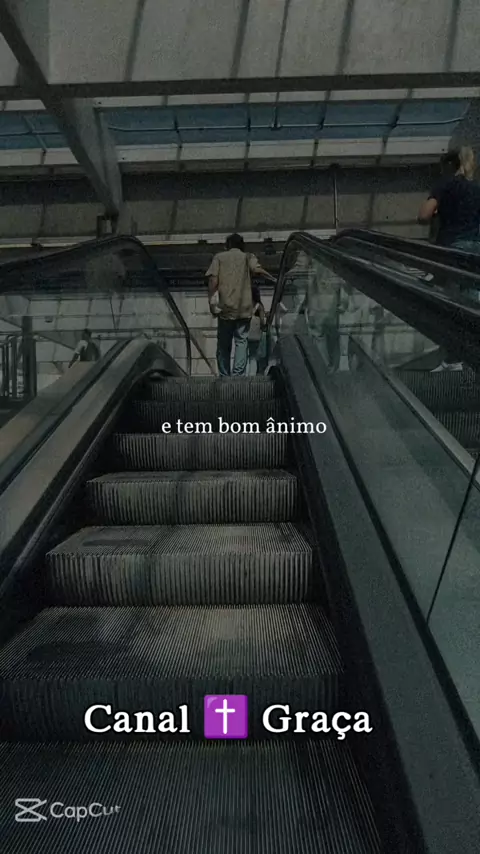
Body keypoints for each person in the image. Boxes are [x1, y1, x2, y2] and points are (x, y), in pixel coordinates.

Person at [206, 233, 276, 376]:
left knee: (223, 344)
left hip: (225, 308)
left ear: (227, 245)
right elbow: (257, 270)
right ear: (242, 245)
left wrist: (211, 301)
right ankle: (238, 376)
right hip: (244, 308)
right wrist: (274, 279)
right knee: (241, 341)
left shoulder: (219, 257)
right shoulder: (248, 257)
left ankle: (224, 375)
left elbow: (213, 281)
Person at [418, 148, 480, 252]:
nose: (441, 172)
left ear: (449, 165)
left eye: (442, 167)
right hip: (476, 248)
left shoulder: (444, 185)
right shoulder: (476, 187)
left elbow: (423, 216)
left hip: (451, 246)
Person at [248, 287, 267, 375]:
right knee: (253, 357)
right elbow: (262, 322)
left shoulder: (246, 305)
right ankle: (252, 375)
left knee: (245, 356)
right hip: (255, 335)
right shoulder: (259, 306)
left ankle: (244, 374)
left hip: (245, 333)